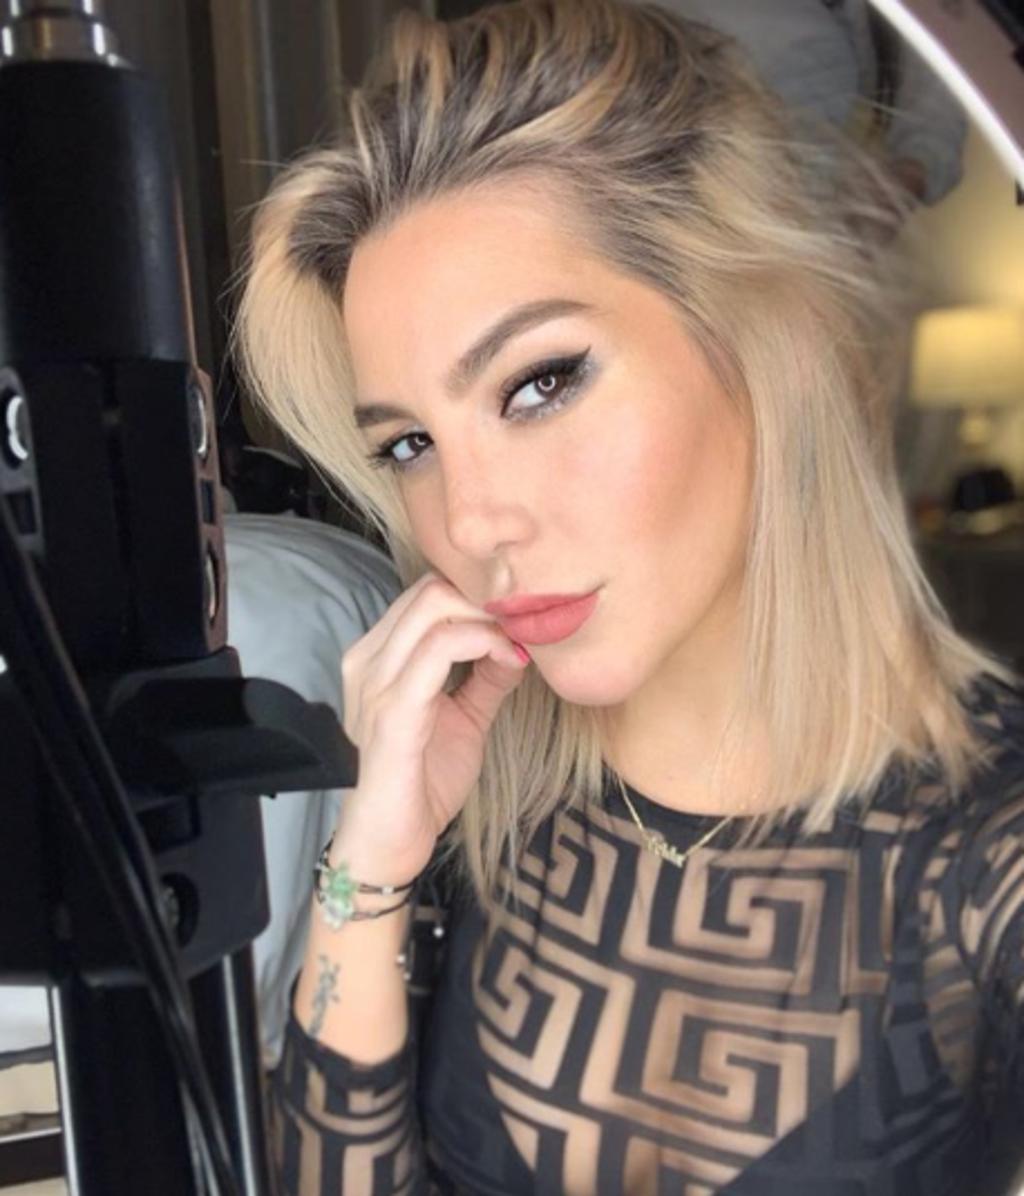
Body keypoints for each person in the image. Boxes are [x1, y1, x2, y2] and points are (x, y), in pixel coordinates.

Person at [235, 1, 1024, 1192]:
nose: (471, 522)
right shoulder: (473, 802)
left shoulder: (988, 846)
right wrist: (370, 863)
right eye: (409, 445)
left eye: (539, 382)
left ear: (757, 333)